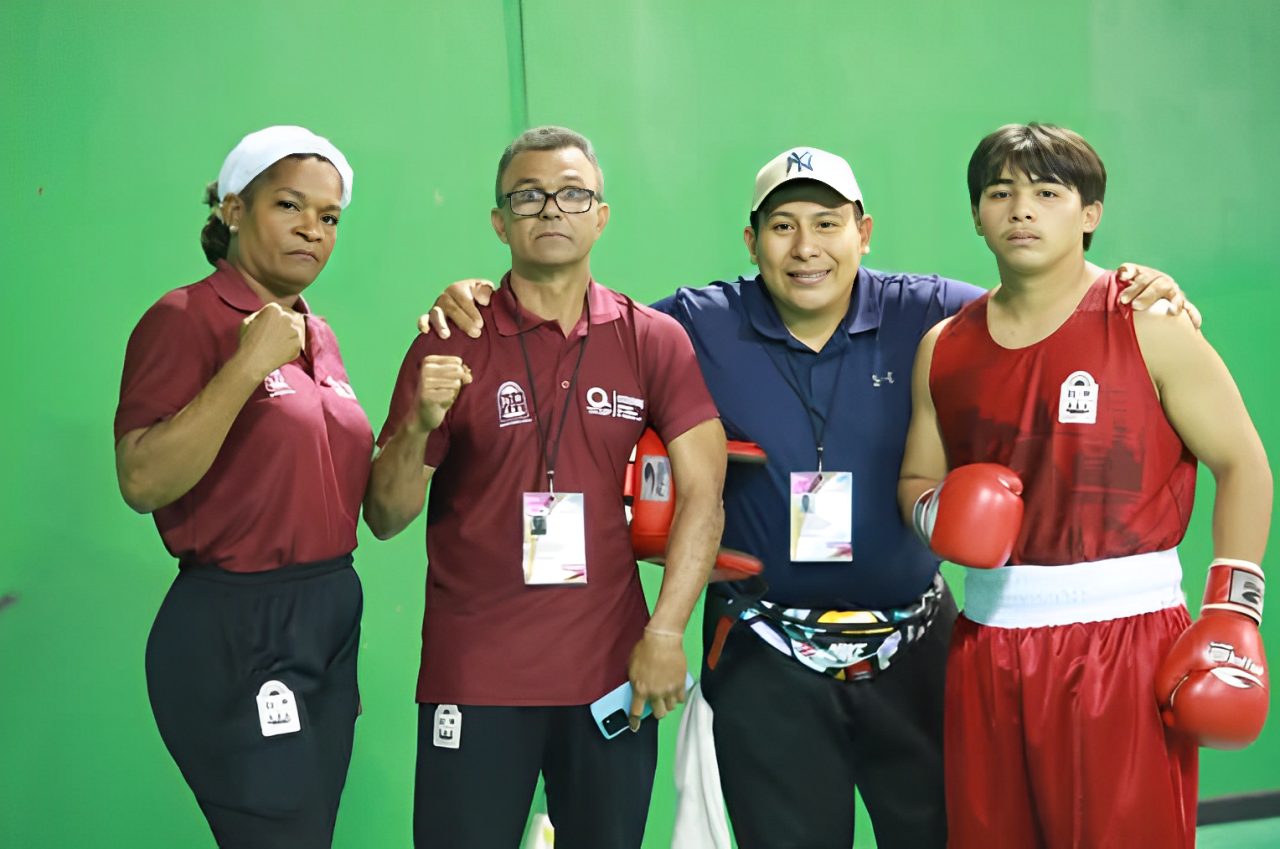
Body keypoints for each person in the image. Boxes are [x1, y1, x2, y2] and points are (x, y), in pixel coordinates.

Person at [421, 144, 1193, 848]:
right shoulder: (693, 323)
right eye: (782, 225)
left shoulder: (936, 313)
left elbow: (1046, 302)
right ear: (751, 241)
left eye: (827, 222)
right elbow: (574, 323)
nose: (807, 247)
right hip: (767, 657)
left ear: (864, 230)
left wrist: (1136, 287)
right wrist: (483, 299)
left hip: (913, 649)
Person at [899, 122, 1271, 848]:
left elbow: (1243, 462)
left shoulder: (1148, 322)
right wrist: (938, 513)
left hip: (1124, 649)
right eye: (999, 193)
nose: (1021, 209)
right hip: (988, 647)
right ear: (977, 215)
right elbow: (918, 478)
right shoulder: (943, 347)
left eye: (1046, 192)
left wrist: (1234, 611)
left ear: (1090, 212)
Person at [363, 126, 726, 849]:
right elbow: (385, 513)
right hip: (476, 676)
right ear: (499, 221)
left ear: (601, 214)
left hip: (611, 676)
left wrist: (665, 631)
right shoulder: (451, 337)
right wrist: (417, 424)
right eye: (528, 196)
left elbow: (703, 494)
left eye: (572, 193)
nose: (551, 209)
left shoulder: (650, 338)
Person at [114, 126, 369, 848]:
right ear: (232, 209)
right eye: (290, 205)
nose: (312, 230)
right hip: (237, 621)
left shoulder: (319, 334)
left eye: (329, 217)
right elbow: (141, 479)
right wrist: (245, 363)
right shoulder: (186, 317)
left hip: (326, 617)